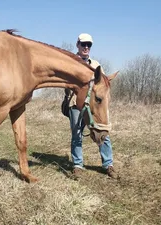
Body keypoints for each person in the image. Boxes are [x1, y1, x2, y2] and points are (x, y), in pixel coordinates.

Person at [64, 33, 117, 179]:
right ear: (78, 45)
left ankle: (108, 164)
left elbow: (104, 84)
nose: (86, 47)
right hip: (75, 104)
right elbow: (65, 84)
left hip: (93, 106)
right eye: (83, 44)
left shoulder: (96, 65)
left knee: (102, 131)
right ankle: (77, 165)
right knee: (77, 135)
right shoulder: (70, 62)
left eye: (89, 45)